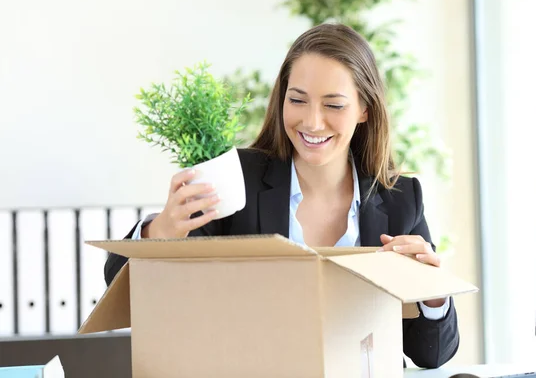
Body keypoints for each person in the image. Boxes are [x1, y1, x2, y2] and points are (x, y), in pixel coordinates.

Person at [105, 23, 459, 369]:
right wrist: (162, 230)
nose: (312, 122)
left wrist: (433, 293)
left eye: (333, 105)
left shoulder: (399, 198)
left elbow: (431, 355)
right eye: (298, 100)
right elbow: (125, 293)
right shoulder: (237, 180)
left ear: (364, 109)